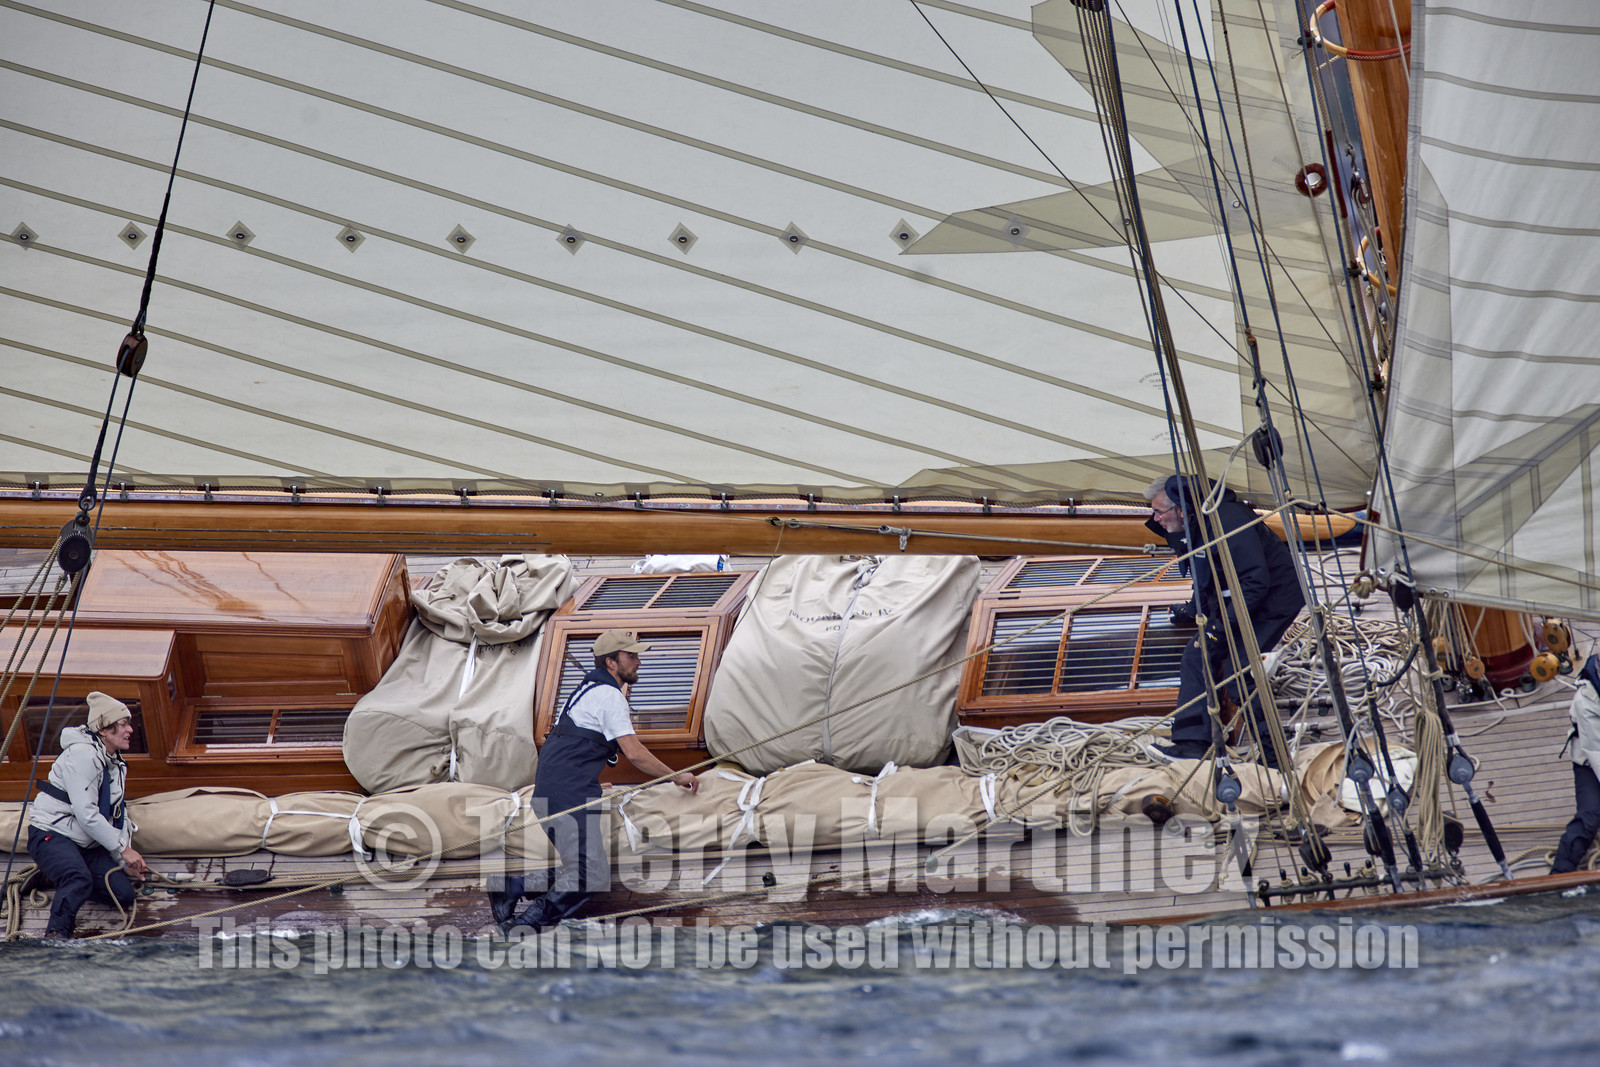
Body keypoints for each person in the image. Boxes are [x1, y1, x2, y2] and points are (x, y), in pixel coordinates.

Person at [490, 629, 698, 932]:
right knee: (590, 874)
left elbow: (571, 746)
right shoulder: (609, 695)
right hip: (566, 793)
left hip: (559, 790)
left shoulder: (586, 691)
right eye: (631, 656)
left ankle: (510, 887)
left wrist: (588, 782)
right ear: (611, 662)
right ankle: (523, 926)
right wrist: (677, 776)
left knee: (584, 869)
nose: (638, 662)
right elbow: (634, 753)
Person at [1144, 475, 1304, 766]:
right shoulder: (1196, 525)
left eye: (1159, 512)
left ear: (1180, 507)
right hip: (1242, 600)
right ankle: (1192, 744)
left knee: (1239, 672)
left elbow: (1254, 583)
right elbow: (1207, 577)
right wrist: (1191, 610)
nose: (1155, 519)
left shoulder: (1227, 521)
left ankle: (1275, 755)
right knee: (1196, 656)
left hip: (1273, 600)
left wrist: (1219, 628)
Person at [27, 692, 148, 939]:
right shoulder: (83, 755)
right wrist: (124, 849)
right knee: (78, 880)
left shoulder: (114, 761)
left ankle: (52, 875)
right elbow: (87, 815)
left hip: (85, 842)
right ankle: (56, 938)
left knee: (122, 894)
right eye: (123, 724)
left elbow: (117, 815)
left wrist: (122, 861)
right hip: (52, 832)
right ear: (103, 729)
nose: (130, 730)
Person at [1552, 653, 1600, 873]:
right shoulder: (1586, 702)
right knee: (1589, 816)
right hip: (1591, 763)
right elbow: (1596, 754)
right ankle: (1560, 873)